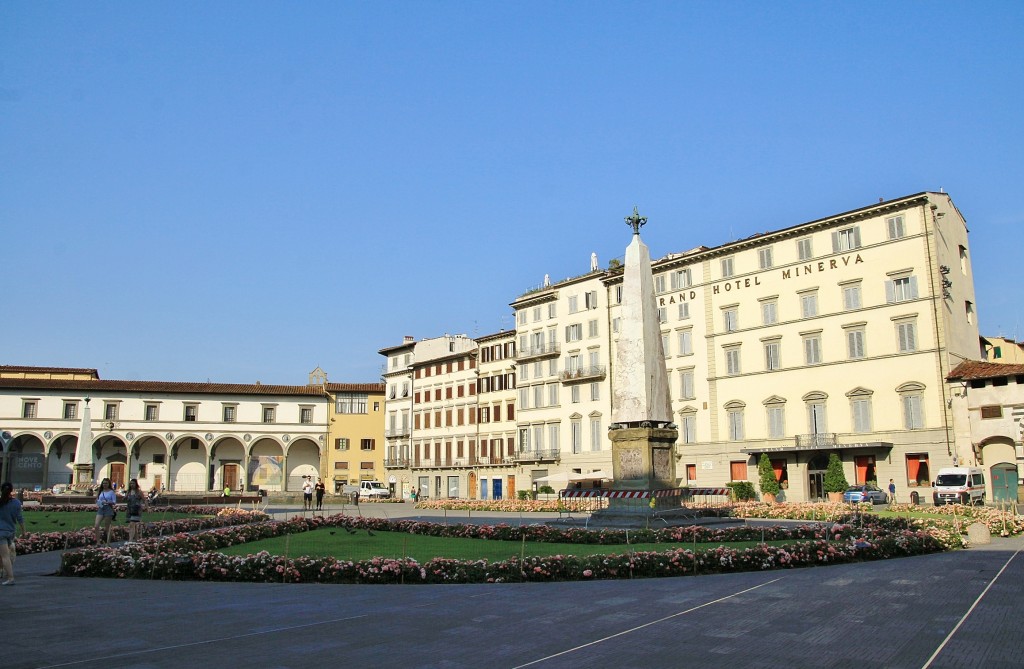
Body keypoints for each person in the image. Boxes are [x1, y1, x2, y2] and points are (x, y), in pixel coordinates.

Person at [0, 482, 26, 585]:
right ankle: (2, 572)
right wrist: (24, 531)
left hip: (1, 531)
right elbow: (20, 519)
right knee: (4, 554)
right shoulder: (16, 503)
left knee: (4, 556)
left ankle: (10, 578)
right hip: (10, 531)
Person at [93, 478, 117, 545]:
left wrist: (108, 502)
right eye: (103, 483)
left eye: (106, 483)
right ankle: (98, 542)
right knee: (96, 525)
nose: (105, 485)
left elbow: (114, 502)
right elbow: (97, 499)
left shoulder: (111, 492)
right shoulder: (101, 491)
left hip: (108, 508)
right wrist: (98, 502)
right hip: (101, 508)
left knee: (107, 526)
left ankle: (108, 542)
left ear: (109, 484)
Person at [125, 478, 145, 543]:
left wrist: (147, 508)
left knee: (132, 524)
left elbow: (145, 500)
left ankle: (130, 541)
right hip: (129, 510)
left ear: (136, 484)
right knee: (134, 526)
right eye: (130, 483)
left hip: (136, 510)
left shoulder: (139, 492)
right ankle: (137, 540)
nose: (132, 485)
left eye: (133, 483)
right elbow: (126, 499)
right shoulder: (129, 492)